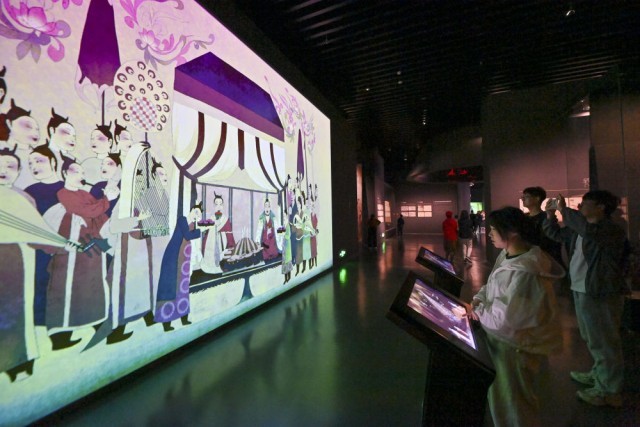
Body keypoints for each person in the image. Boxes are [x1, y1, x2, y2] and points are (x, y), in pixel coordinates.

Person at [470, 207, 564, 427]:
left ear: (512, 232)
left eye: (494, 229)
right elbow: (492, 285)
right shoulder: (509, 256)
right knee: (505, 400)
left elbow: (507, 319)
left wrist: (478, 312)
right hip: (503, 342)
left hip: (514, 346)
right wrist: (478, 300)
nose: (489, 234)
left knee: (514, 404)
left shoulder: (526, 272)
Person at [543, 191, 628, 407]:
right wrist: (551, 216)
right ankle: (599, 374)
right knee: (591, 337)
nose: (580, 206)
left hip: (600, 292)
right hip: (582, 289)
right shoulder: (581, 229)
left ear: (601, 207)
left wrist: (564, 210)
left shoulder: (610, 230)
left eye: (585, 203)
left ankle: (609, 391)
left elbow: (589, 231)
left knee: (604, 341)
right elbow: (555, 234)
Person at [522, 186, 564, 267]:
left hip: (544, 259)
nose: (523, 199)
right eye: (522, 197)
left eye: (526, 196)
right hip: (528, 259)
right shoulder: (523, 218)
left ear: (537, 198)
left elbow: (552, 240)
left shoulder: (547, 217)